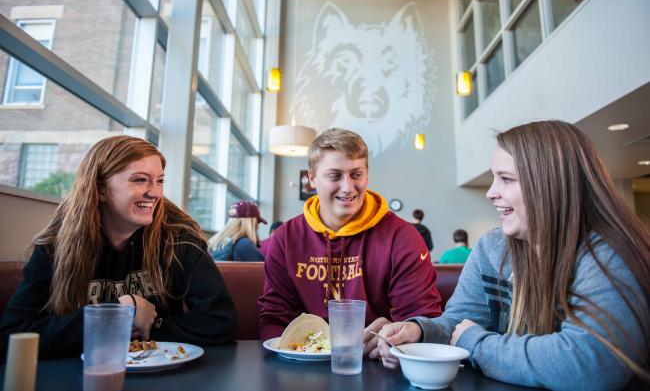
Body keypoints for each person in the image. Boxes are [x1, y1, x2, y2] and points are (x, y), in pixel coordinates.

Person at [377, 121, 650, 390]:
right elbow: (459, 324)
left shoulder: (609, 254)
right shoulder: (491, 247)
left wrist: (476, 344)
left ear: (550, 184)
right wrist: (419, 332)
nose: (490, 193)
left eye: (506, 179)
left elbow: (590, 365)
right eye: (494, 178)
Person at [0, 136, 236, 359]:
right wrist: (114, 315)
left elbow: (220, 323)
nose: (154, 192)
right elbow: (10, 339)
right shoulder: (55, 247)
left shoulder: (180, 240)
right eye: (139, 179)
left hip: (162, 373)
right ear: (100, 189)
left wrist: (148, 324)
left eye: (160, 180)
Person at [258, 128, 442, 358]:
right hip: (301, 364)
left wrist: (396, 338)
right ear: (311, 178)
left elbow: (424, 318)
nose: (348, 187)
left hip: (377, 364)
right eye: (335, 176)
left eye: (356, 174)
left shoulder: (402, 236)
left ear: (366, 175)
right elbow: (274, 318)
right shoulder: (286, 238)